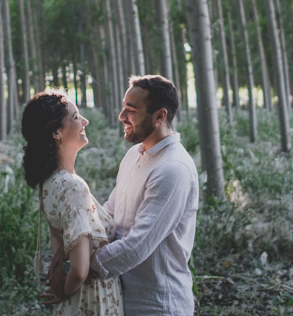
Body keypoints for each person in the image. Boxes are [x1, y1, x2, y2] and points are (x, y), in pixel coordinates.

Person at [47, 75, 199, 316]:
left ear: (160, 116)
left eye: (131, 110)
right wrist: (73, 249)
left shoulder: (172, 169)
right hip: (123, 299)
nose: (121, 116)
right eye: (124, 107)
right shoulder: (133, 156)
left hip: (158, 305)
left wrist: (77, 270)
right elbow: (108, 216)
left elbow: (137, 246)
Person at [21, 91, 123, 316]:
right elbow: (78, 269)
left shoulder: (48, 182)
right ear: (56, 132)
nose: (85, 121)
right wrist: (63, 292)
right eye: (76, 116)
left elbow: (59, 253)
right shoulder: (72, 187)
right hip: (92, 302)